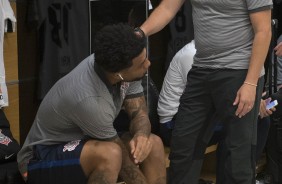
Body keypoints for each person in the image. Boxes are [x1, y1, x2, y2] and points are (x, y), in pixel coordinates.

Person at [137, 0, 273, 183]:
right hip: (201, 69)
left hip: (239, 70)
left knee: (238, 152)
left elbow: (263, 31)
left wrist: (250, 83)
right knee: (184, 146)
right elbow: (168, 8)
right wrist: (140, 32)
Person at [17, 24, 166, 184]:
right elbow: (125, 166)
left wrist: (141, 135)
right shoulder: (90, 99)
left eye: (146, 58)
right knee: (110, 155)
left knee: (154, 144)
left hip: (86, 144)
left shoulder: (124, 65)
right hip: (40, 159)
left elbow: (139, 113)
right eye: (142, 63)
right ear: (119, 73)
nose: (148, 64)